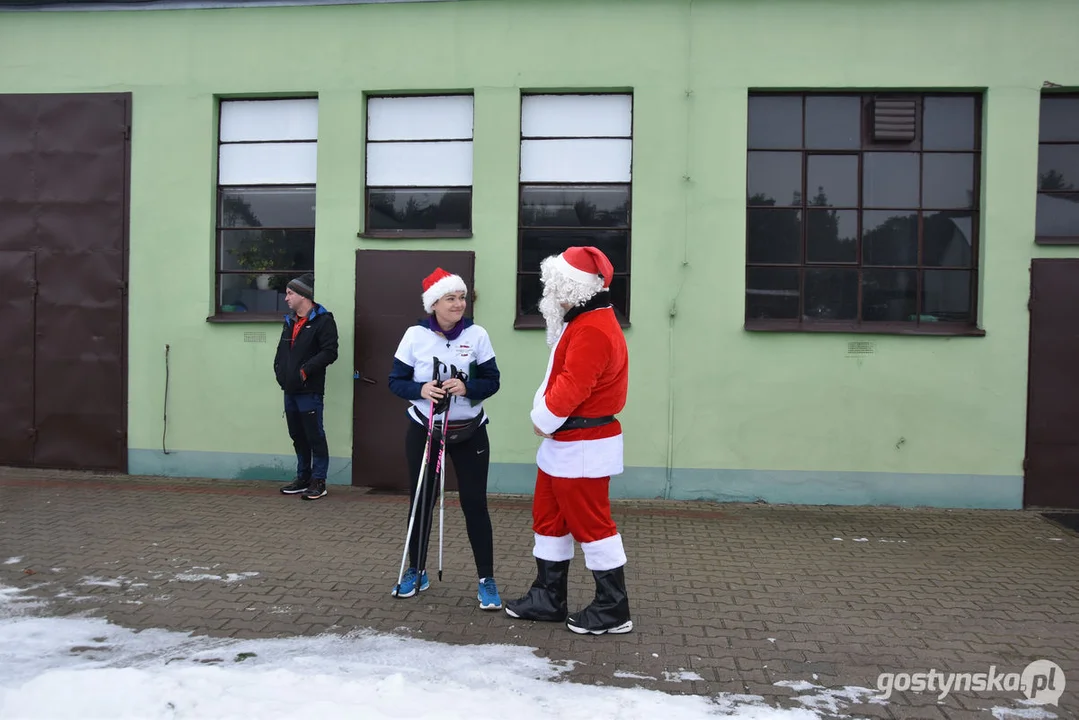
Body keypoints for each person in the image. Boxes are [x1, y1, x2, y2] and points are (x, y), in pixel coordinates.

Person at [504, 246, 632, 635]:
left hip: (582, 444)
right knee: (549, 519)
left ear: (572, 288)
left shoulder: (592, 328)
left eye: (553, 285)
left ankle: (613, 608)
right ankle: (548, 598)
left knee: (593, 526)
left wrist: (543, 419)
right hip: (566, 444)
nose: (548, 293)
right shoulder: (584, 321)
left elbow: (573, 386)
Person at [387, 267, 503, 610]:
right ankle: (416, 570)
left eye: (462, 297)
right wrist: (421, 388)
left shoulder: (477, 335)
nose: (458, 304)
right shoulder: (415, 335)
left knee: (474, 504)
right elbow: (395, 381)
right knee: (422, 499)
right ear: (434, 303)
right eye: (450, 298)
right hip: (426, 429)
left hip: (470, 431)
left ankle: (486, 580)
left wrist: (467, 386)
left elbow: (493, 381)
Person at [275, 273, 339, 501]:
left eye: (290, 293)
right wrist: (280, 372)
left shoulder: (323, 320)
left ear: (304, 295)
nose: (286, 298)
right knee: (297, 436)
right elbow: (282, 353)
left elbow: (330, 352)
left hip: (309, 390)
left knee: (315, 436)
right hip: (289, 390)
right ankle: (303, 478)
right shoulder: (290, 321)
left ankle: (318, 481)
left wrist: (305, 371)